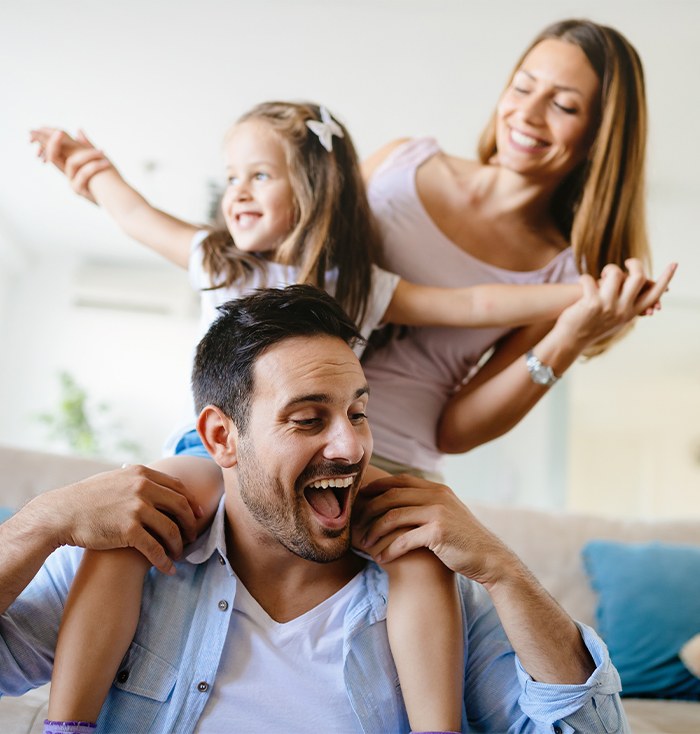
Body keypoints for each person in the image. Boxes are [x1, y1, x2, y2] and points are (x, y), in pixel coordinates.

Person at [28, 100, 642, 734]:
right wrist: (92, 170)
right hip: (201, 455)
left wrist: (588, 294)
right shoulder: (218, 259)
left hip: (320, 464)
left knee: (416, 553)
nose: (237, 192)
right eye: (232, 177)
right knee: (129, 529)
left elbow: (478, 301)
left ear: (313, 190)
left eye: (260, 176)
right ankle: (67, 724)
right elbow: (136, 216)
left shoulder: (363, 285)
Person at [1, 285, 630, 733]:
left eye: (359, 413)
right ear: (222, 438)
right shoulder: (137, 557)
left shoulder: (433, 587)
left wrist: (503, 570)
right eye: (308, 419)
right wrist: (41, 522)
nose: (351, 445)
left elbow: (589, 732)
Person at [360, 18, 674, 479]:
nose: (527, 114)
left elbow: (455, 433)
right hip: (276, 424)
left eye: (564, 106)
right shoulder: (398, 162)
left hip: (388, 462)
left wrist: (571, 337)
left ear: (598, 139)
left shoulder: (563, 274)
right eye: (523, 88)